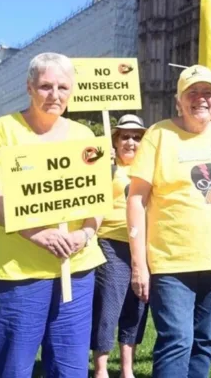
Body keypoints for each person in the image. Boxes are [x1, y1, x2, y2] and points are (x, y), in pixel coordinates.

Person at [0, 52, 105, 377]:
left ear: (73, 90)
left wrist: (84, 234)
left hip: (76, 271)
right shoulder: (6, 130)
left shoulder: (84, 137)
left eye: (62, 87)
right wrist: (37, 233)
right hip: (16, 274)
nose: (54, 95)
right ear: (29, 87)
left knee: (70, 369)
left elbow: (98, 201)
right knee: (11, 369)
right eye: (45, 86)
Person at [126, 64, 211, 378]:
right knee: (177, 339)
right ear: (178, 101)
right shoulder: (159, 135)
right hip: (171, 261)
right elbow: (136, 198)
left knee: (203, 341)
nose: (200, 99)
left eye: (207, 92)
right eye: (191, 92)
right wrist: (139, 264)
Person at [92, 114, 149, 378]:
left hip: (143, 246)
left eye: (137, 137)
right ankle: (101, 369)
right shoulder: (107, 168)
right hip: (112, 243)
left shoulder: (149, 170)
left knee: (136, 308)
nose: (131, 142)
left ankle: (127, 370)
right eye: (125, 136)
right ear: (115, 140)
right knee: (108, 308)